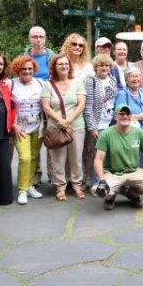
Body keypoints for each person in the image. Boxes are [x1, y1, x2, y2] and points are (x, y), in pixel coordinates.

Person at [92, 104, 143, 210]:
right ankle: (110, 198)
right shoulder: (106, 134)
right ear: (115, 117)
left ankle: (132, 194)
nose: (125, 116)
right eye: (121, 114)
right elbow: (98, 159)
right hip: (113, 173)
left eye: (127, 114)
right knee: (97, 190)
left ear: (131, 116)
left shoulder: (139, 133)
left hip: (134, 171)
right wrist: (102, 180)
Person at [40, 53, 87, 201]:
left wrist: (68, 121)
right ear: (54, 67)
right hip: (55, 127)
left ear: (70, 66)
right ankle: (60, 187)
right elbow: (46, 107)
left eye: (66, 64)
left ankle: (77, 185)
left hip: (76, 126)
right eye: (60, 64)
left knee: (76, 158)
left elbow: (81, 104)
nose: (64, 66)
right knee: (58, 159)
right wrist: (61, 121)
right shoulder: (48, 85)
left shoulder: (77, 82)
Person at [10, 56, 45, 205]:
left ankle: (30, 185)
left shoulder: (40, 83)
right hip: (20, 128)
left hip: (38, 127)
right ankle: (22, 190)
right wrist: (13, 124)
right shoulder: (11, 84)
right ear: (18, 69)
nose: (27, 71)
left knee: (33, 156)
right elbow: (6, 106)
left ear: (34, 69)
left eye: (30, 68)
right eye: (23, 68)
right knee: (24, 158)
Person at [82, 54, 118, 187]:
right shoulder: (91, 81)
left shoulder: (112, 79)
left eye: (107, 65)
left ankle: (104, 179)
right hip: (97, 124)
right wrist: (92, 127)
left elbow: (113, 101)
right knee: (94, 153)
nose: (104, 68)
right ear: (96, 67)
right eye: (101, 65)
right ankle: (92, 181)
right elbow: (88, 106)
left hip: (110, 122)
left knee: (107, 154)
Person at [0, 51, 15, 209]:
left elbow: (10, 108)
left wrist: (13, 124)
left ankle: (3, 197)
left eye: (0, 64)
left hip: (3, 131)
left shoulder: (4, 86)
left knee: (3, 166)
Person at [115, 67, 143, 166]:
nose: (135, 79)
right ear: (126, 80)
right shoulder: (122, 94)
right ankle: (129, 178)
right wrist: (140, 117)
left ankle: (142, 178)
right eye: (132, 76)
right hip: (129, 131)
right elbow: (119, 115)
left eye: (137, 76)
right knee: (130, 156)